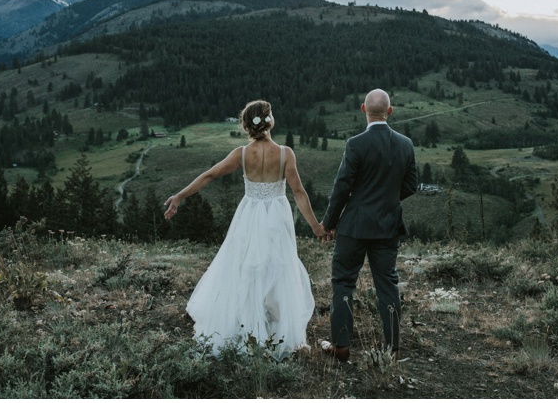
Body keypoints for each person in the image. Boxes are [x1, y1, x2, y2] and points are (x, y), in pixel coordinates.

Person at [164, 99, 326, 357]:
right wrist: (316, 226)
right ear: (269, 121)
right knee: (279, 267)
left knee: (247, 267)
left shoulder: (241, 153)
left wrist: (179, 196)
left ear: (248, 125)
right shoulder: (286, 153)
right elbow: (298, 192)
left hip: (249, 214)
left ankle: (249, 327)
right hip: (276, 215)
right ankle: (275, 330)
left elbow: (209, 175)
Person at [319, 88, 418, 362]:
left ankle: (341, 347)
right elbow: (411, 185)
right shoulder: (405, 144)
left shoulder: (355, 144)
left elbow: (342, 187)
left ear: (364, 110)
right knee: (388, 284)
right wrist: (386, 199)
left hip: (354, 226)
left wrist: (329, 222)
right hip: (387, 226)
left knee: (343, 282)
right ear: (390, 111)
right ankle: (394, 349)